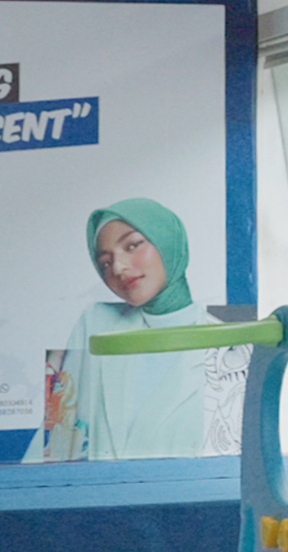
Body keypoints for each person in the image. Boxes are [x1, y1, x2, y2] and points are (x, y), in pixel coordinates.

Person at [48, 195, 220, 461]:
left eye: (132, 246)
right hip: (95, 486)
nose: (117, 267)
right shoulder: (96, 323)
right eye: (105, 262)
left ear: (168, 241)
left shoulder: (228, 345)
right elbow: (59, 439)